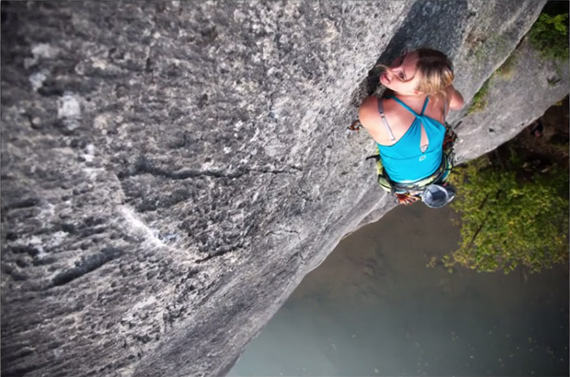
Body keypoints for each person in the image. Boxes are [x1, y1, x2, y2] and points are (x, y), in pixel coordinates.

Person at [358, 47, 464, 205]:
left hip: (423, 176)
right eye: (401, 60)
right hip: (430, 173)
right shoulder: (442, 93)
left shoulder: (377, 113)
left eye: (402, 75)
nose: (392, 69)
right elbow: (459, 103)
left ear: (416, 91)